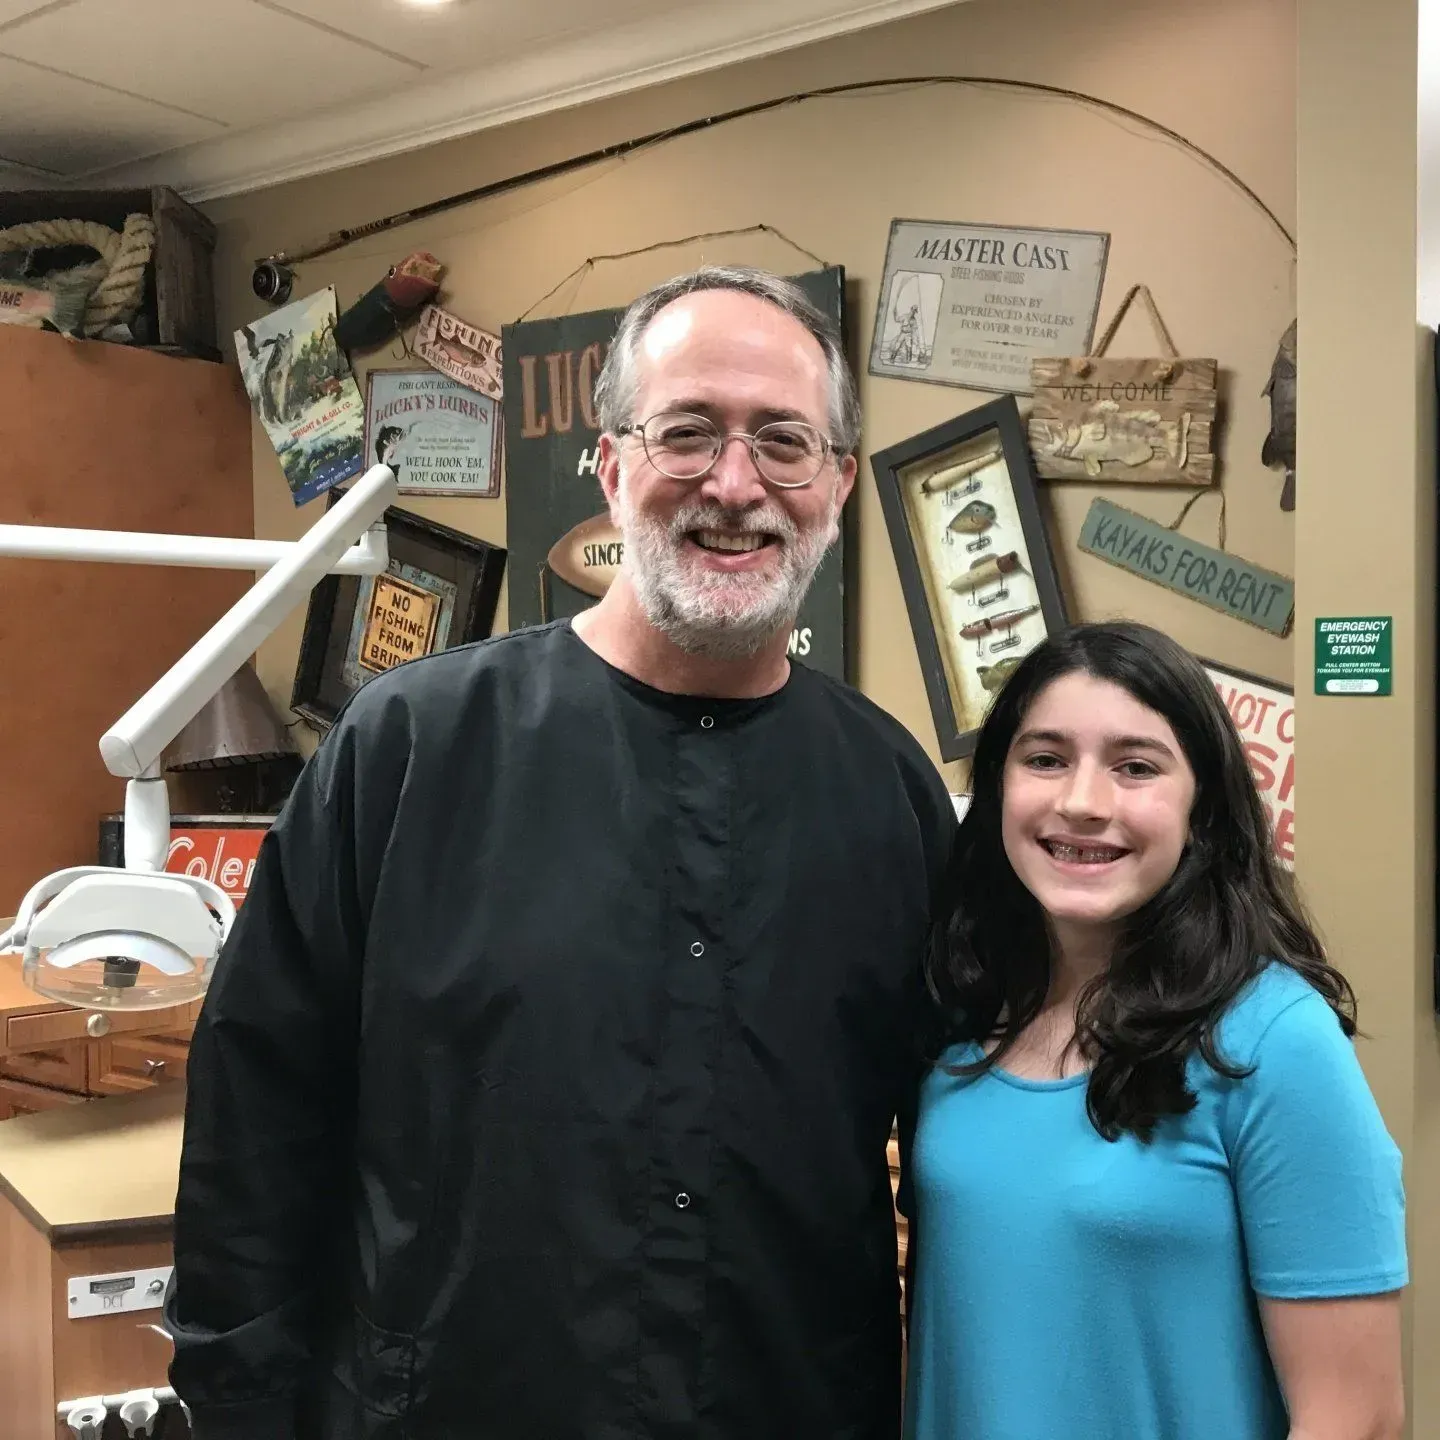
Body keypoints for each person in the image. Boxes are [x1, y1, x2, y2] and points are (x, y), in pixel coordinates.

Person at [166, 266, 953, 1440]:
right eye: (688, 432)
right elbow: (258, 1122)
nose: (736, 485)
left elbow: (978, 1134)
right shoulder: (411, 752)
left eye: (784, 442)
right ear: (612, 465)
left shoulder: (890, 797)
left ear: (836, 485)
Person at [907, 621, 1406, 1440]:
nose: (1082, 802)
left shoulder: (1274, 1040)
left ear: (1201, 807)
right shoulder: (964, 1012)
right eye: (1045, 758)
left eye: (1136, 767)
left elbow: (1359, 1417)